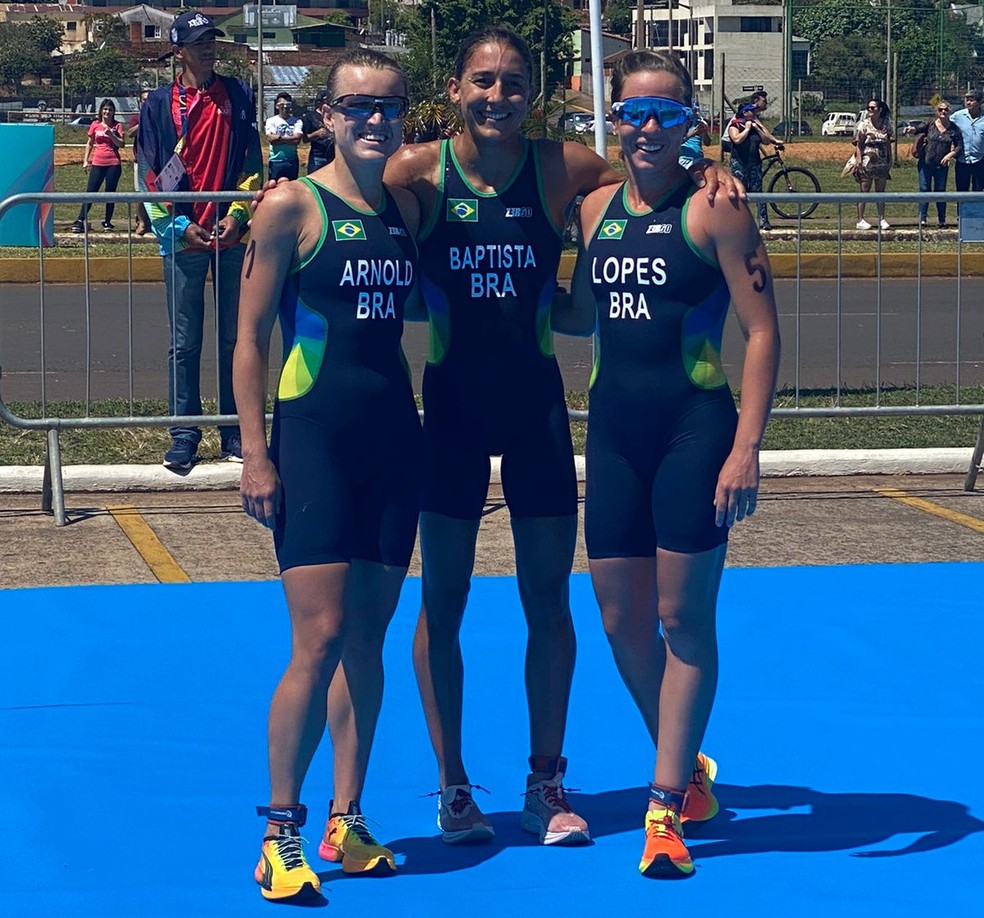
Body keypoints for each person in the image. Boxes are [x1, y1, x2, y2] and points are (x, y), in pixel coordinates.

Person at [382, 26, 742, 848]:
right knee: (444, 598)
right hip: (453, 414)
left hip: (537, 409)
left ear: (533, 94)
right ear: (455, 87)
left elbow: (657, 168)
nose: (497, 97)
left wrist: (712, 168)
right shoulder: (419, 170)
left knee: (548, 598)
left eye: (513, 84)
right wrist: (277, 196)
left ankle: (547, 781)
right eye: (483, 81)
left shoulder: (566, 167)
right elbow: (349, 196)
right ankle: (453, 788)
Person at [560, 49, 780, 879]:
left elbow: (762, 332)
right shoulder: (592, 210)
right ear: (612, 119)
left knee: (683, 620)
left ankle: (664, 807)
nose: (649, 128)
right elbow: (578, 317)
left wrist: (747, 449)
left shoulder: (716, 207)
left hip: (696, 430)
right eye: (634, 114)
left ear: (694, 122)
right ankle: (686, 767)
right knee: (619, 619)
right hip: (614, 432)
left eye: (669, 115)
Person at [235, 48, 421, 904]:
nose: (372, 120)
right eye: (356, 106)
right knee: (315, 639)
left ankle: (348, 819)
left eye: (387, 106)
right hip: (311, 441)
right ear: (328, 116)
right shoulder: (289, 207)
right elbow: (248, 344)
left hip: (393, 442)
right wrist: (257, 453)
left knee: (368, 638)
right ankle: (281, 831)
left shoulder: (407, 208)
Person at [136, 10, 262, 470]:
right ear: (179, 51)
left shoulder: (238, 94)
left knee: (235, 339)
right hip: (182, 238)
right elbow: (148, 176)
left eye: (212, 40)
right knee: (185, 342)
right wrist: (175, 226)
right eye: (198, 41)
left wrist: (237, 212)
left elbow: (253, 163)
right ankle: (184, 434)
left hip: (231, 237)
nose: (209, 48)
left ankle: (234, 431)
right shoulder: (157, 106)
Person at [727, 97, 782, 231]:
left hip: (754, 163)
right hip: (739, 163)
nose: (754, 113)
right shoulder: (735, 125)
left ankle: (764, 220)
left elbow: (766, 141)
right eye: (751, 111)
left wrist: (758, 129)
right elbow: (737, 140)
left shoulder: (754, 126)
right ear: (745, 113)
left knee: (758, 191)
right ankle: (739, 220)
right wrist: (746, 129)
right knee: (740, 192)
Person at [71, 99, 125, 233]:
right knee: (91, 192)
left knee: (110, 193)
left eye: (110, 110)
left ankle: (107, 221)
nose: (107, 112)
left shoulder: (117, 126)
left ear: (113, 112)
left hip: (113, 164)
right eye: (105, 109)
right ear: (101, 110)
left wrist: (111, 135)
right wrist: (85, 160)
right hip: (97, 163)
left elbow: (121, 144)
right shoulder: (95, 124)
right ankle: (80, 219)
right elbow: (89, 143)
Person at [906, 102, 962, 228]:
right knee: (924, 189)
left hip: (942, 166)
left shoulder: (954, 129)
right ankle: (922, 219)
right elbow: (918, 129)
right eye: (940, 110)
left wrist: (950, 155)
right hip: (925, 163)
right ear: (936, 111)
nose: (943, 112)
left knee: (940, 191)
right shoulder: (930, 124)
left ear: (949, 112)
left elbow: (959, 146)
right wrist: (911, 129)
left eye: (946, 110)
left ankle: (942, 220)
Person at [853, 98, 894, 230]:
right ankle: (860, 219)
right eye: (868, 108)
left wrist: (890, 158)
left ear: (879, 109)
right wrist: (859, 159)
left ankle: (881, 218)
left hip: (881, 161)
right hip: (867, 161)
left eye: (873, 108)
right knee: (864, 190)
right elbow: (858, 144)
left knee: (880, 191)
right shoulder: (863, 124)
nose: (870, 110)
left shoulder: (886, 124)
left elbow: (888, 142)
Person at [126, 89, 152, 235]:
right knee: (140, 193)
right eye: (144, 100)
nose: (146, 102)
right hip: (140, 161)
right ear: (140, 102)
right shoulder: (137, 118)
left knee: (157, 193)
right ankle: (142, 222)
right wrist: (144, 122)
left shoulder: (158, 116)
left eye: (149, 99)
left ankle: (155, 222)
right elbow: (130, 133)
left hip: (157, 161)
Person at [949, 90, 984, 194]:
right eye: (967, 100)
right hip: (962, 160)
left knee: (978, 192)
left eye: (971, 100)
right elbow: (943, 124)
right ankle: (961, 210)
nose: (968, 103)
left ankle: (977, 211)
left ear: (979, 102)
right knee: (961, 191)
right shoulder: (958, 116)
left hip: (980, 160)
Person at [265, 91, 304, 181]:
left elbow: (297, 140)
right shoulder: (271, 121)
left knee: (291, 188)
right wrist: (290, 139)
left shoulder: (297, 121)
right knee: (274, 187)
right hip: (276, 161)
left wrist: (279, 138)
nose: (285, 107)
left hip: (291, 161)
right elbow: (271, 140)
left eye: (287, 104)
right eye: (282, 105)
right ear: (277, 106)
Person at [301, 90, 335, 173]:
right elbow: (305, 139)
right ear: (319, 102)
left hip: (333, 156)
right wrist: (316, 134)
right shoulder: (310, 117)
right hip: (317, 156)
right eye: (325, 101)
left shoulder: (334, 116)